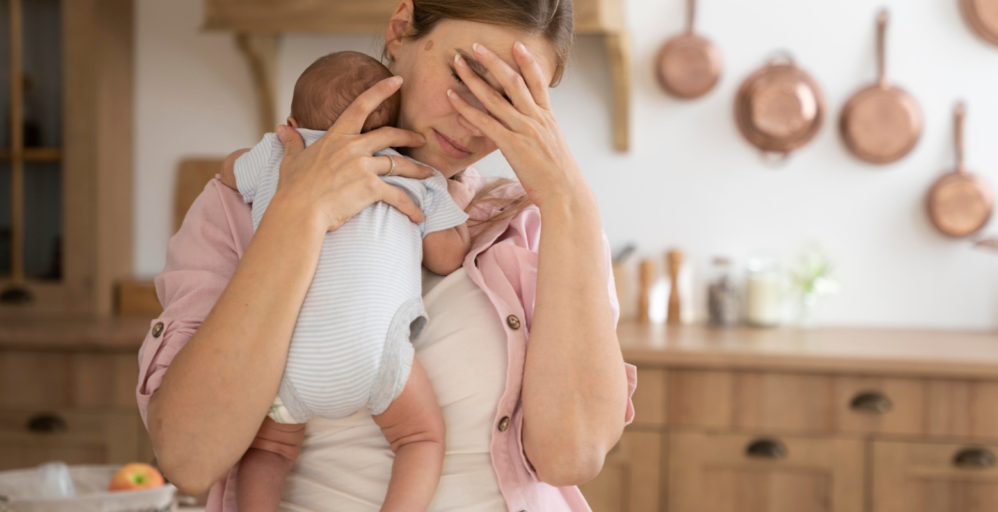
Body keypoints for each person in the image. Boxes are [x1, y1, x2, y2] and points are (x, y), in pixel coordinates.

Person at [136, 0, 637, 510]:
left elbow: (570, 457)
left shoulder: (541, 225)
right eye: (466, 77)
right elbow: (189, 460)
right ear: (400, 31)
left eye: (510, 99)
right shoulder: (242, 208)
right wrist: (297, 217)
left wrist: (569, 197)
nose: (475, 121)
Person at [229, 50, 472, 512]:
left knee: (268, 450)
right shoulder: (413, 173)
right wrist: (454, 194)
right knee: (420, 439)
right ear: (394, 130)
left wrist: (266, 155)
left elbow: (226, 175)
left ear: (294, 122)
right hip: (373, 354)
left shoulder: (280, 155)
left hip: (282, 360)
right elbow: (448, 257)